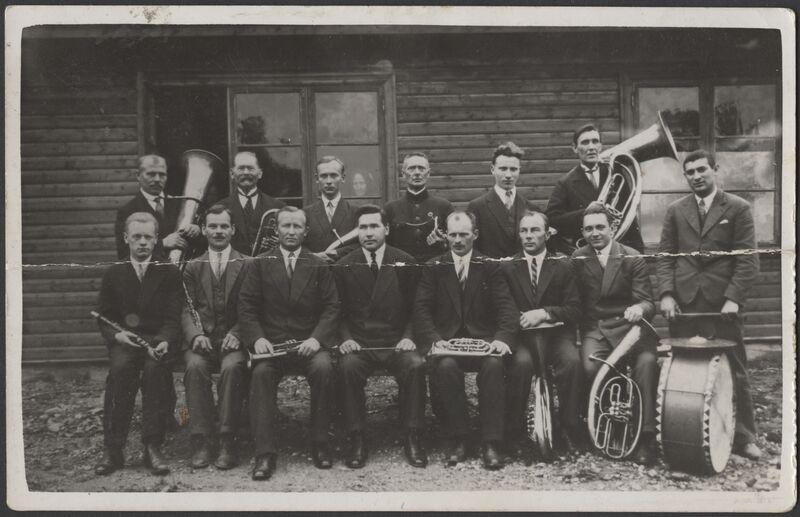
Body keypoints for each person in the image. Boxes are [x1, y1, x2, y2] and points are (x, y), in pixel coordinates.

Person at [656, 149, 761, 460]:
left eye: (702, 170)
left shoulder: (739, 208)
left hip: (722, 306)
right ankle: (681, 433)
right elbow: (665, 257)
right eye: (690, 172)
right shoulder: (676, 210)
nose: (697, 176)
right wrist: (666, 294)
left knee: (735, 368)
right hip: (684, 304)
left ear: (716, 170)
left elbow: (747, 261)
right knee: (683, 370)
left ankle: (744, 436)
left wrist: (733, 299)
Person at [238, 206, 339, 480]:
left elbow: (332, 307)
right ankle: (265, 453)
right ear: (276, 230)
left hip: (309, 344)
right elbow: (246, 306)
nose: (291, 231)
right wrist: (257, 338)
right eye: (286, 226)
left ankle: (321, 443)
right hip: (272, 347)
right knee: (260, 375)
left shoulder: (317, 264)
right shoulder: (259, 262)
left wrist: (316, 339)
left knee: (324, 369)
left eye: (297, 226)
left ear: (306, 231)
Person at [413, 211, 517, 470]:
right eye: (452, 234)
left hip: (482, 342)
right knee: (445, 367)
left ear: (475, 235)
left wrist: (502, 339)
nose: (457, 240)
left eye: (464, 234)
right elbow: (421, 309)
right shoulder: (434, 267)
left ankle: (491, 441)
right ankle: (459, 438)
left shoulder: (490, 266)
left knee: (494, 367)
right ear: (445, 235)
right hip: (447, 342)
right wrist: (435, 341)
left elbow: (506, 308)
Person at [335, 205, 427, 469]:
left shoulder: (405, 262)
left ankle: (413, 435)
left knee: (415, 365)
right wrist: (345, 338)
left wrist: (410, 336)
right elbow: (336, 310)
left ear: (386, 229)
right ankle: (357, 437)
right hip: (360, 343)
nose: (368, 233)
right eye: (362, 227)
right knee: (347, 367)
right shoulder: (344, 265)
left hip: (397, 341)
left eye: (374, 226)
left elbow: (416, 307)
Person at [94, 212, 182, 476]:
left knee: (156, 373)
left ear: (156, 239)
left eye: (147, 237)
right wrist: (117, 336)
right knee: (120, 372)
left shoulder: (168, 271)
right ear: (126, 239)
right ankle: (113, 449)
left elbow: (173, 316)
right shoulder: (114, 272)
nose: (142, 242)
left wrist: (165, 339)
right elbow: (105, 316)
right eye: (136, 237)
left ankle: (152, 447)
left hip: (157, 341)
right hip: (126, 342)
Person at [571, 202, 658, 465]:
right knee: (589, 367)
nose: (594, 233)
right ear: (583, 232)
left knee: (646, 365)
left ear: (613, 228)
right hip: (596, 329)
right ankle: (609, 427)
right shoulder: (577, 258)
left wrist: (638, 309)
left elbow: (649, 303)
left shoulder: (632, 256)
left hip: (632, 330)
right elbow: (575, 303)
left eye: (600, 227)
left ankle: (645, 437)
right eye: (588, 229)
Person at [499, 210, 585, 461]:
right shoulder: (507, 267)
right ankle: (514, 433)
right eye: (524, 231)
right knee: (521, 365)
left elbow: (575, 308)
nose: (528, 236)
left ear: (547, 234)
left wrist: (545, 313)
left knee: (571, 363)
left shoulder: (564, 265)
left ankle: (568, 427)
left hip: (557, 335)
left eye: (535, 230)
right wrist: (522, 319)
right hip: (522, 336)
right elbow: (502, 307)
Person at [181, 205, 250, 470]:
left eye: (224, 226)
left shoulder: (248, 264)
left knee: (233, 368)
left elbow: (253, 306)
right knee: (195, 367)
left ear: (232, 230)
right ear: (205, 229)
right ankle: (201, 439)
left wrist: (238, 333)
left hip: (233, 339)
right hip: (203, 341)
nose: (218, 231)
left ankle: (227, 439)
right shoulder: (192, 266)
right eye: (213, 226)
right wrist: (195, 335)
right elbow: (185, 307)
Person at [546, 124, 644, 254]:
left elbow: (630, 219)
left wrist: (639, 252)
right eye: (585, 142)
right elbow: (552, 219)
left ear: (600, 146)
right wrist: (585, 212)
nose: (591, 147)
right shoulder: (565, 183)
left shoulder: (616, 174)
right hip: (585, 251)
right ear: (575, 148)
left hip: (617, 250)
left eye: (595, 141)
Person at [114, 154, 201, 260]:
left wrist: (196, 231)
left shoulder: (180, 204)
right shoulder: (127, 211)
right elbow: (124, 252)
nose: (157, 179)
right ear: (138, 175)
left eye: (162, 174)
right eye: (151, 174)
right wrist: (162, 244)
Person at [467, 142, 537, 258]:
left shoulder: (531, 208)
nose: (508, 175)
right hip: (490, 273)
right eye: (503, 169)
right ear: (492, 169)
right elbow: (471, 249)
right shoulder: (477, 207)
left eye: (513, 169)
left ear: (519, 170)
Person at [384, 152, 453, 263]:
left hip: (435, 272)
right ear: (403, 174)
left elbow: (455, 242)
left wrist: (443, 243)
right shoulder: (390, 209)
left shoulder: (444, 206)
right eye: (411, 168)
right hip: (402, 273)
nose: (417, 173)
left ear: (428, 173)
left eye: (421, 168)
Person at [219, 151, 285, 256]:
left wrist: (281, 242)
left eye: (250, 168)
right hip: (234, 268)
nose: (245, 172)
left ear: (260, 173)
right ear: (232, 173)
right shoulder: (220, 207)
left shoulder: (278, 206)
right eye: (241, 168)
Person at [302, 156, 358, 262]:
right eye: (323, 176)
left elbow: (360, 245)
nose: (328, 181)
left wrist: (337, 253)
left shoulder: (355, 213)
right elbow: (299, 244)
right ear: (317, 178)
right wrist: (315, 257)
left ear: (343, 177)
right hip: (316, 272)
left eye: (333, 175)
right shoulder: (306, 213)